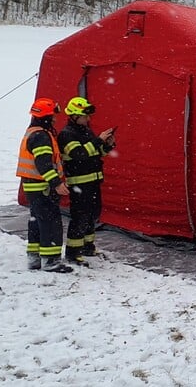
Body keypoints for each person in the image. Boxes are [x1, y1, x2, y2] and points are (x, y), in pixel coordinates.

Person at [58, 97, 115, 266]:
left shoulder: (85, 131)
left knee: (92, 215)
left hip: (93, 182)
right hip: (79, 184)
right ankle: (73, 253)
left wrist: (107, 145)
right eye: (85, 116)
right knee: (80, 217)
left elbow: (95, 153)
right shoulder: (67, 134)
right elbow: (79, 154)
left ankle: (87, 246)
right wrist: (98, 140)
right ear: (74, 115)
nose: (88, 119)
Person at [18, 98, 72, 273]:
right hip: (43, 187)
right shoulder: (41, 136)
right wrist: (56, 183)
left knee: (37, 221)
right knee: (50, 222)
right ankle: (51, 261)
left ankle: (34, 257)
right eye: (53, 116)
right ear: (47, 117)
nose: (56, 119)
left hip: (33, 186)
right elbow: (44, 164)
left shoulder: (32, 132)